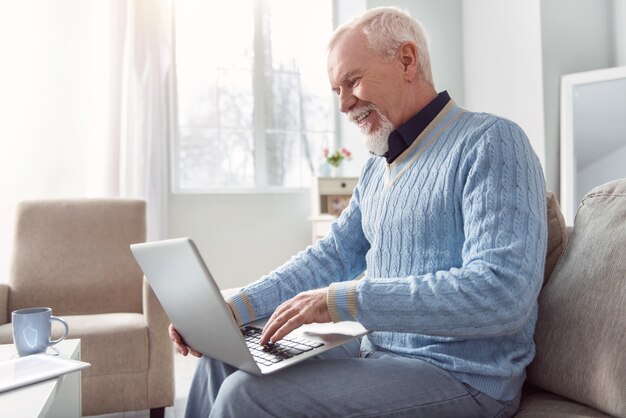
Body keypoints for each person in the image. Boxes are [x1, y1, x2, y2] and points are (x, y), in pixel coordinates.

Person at [171, 6, 547, 418]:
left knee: (245, 394)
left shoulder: (491, 142)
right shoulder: (378, 165)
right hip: (381, 353)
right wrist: (235, 309)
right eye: (336, 90)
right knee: (224, 360)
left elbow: (502, 292)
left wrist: (344, 300)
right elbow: (331, 255)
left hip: (464, 375)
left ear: (407, 60)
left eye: (352, 81)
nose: (344, 104)